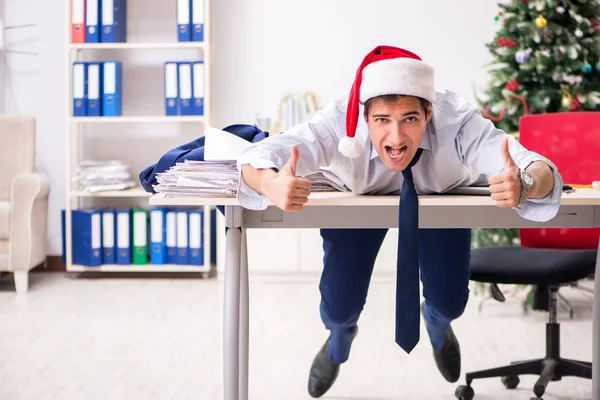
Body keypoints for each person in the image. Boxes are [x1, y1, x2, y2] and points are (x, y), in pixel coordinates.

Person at [236, 45, 562, 397]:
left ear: (429, 113)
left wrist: (526, 184)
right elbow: (259, 155)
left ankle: (437, 324)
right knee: (339, 306)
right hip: (360, 199)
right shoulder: (336, 121)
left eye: (409, 118)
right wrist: (269, 182)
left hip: (437, 199)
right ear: (364, 118)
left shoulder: (457, 121)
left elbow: (535, 164)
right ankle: (339, 340)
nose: (395, 138)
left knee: (451, 301)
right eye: (382, 121)